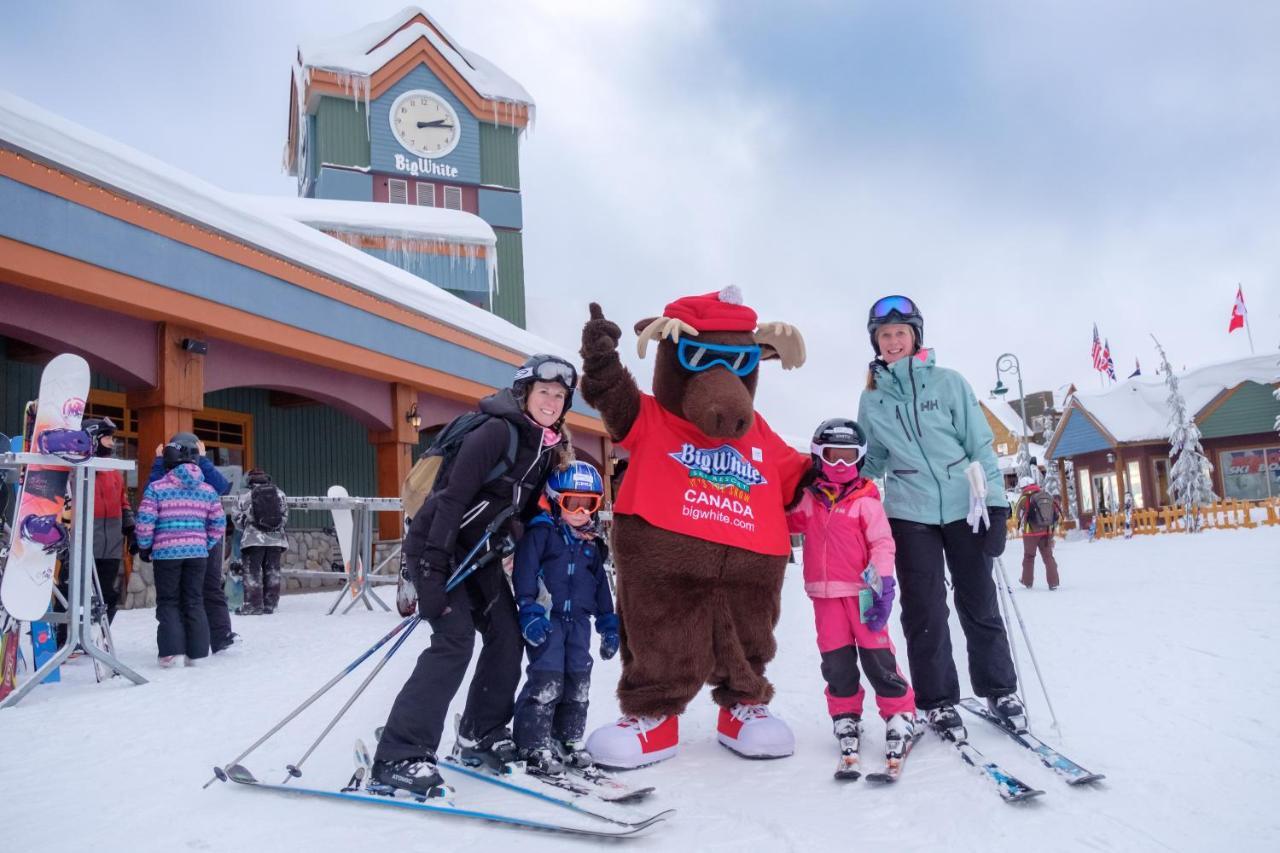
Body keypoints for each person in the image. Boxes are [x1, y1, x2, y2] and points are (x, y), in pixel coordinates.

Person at [371, 355, 577, 796]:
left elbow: (516, 509)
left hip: (478, 556)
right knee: (454, 641)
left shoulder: (544, 447)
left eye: (560, 396)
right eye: (544, 392)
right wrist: (429, 571)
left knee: (507, 635)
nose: (552, 401)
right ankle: (399, 754)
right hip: (438, 548)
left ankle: (479, 733)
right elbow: (451, 500)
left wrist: (512, 536)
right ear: (525, 392)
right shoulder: (495, 431)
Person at [856, 295, 1025, 735]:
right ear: (876, 342)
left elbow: (978, 445)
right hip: (908, 512)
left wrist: (996, 505)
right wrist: (838, 471)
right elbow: (872, 460)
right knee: (924, 609)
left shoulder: (949, 383)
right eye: (885, 335)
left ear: (915, 338)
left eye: (900, 334)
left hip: (964, 507)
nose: (893, 342)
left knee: (979, 601)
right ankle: (938, 700)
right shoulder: (872, 399)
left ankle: (999, 687)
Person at [788, 418, 915, 773]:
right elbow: (784, 520)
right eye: (833, 456)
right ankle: (845, 715)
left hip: (862, 595)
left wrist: (883, 585)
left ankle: (899, 713)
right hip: (825, 598)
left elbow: (881, 543)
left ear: (860, 459)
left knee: (877, 657)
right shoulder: (811, 502)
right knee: (836, 661)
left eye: (849, 457)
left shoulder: (865, 500)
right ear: (818, 457)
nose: (841, 465)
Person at [511, 461, 619, 775]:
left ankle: (567, 738)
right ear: (556, 499)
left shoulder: (591, 544)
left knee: (578, 683)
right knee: (546, 681)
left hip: (580, 625)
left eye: (590, 504)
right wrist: (529, 612)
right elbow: (525, 574)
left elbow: (601, 587)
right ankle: (533, 742)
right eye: (573, 503)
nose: (581, 511)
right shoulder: (542, 533)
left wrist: (608, 624)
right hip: (548, 621)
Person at [135, 441, 226, 667]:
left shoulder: (157, 488)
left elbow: (145, 522)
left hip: (167, 554)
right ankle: (197, 654)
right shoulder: (208, 490)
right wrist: (205, 544)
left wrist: (145, 547)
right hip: (197, 554)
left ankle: (171, 654)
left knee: (169, 602)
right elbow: (219, 523)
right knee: (194, 600)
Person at [85, 418, 133, 624]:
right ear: (93, 440)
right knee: (78, 593)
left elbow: (123, 502)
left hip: (111, 545)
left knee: (107, 595)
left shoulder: (114, 472)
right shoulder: (79, 471)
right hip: (86, 544)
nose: (112, 443)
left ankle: (99, 635)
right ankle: (67, 636)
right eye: (107, 438)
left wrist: (131, 528)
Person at [232, 468, 288, 615]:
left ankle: (253, 606)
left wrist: (248, 525)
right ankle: (271, 604)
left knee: (252, 573)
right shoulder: (279, 494)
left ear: (250, 481)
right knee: (273, 572)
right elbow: (284, 517)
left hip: (253, 540)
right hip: (276, 541)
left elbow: (237, 518)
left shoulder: (244, 496)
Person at [1014, 476, 1061, 589]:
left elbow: (1017, 515)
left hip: (1030, 533)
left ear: (1023, 487)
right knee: (1048, 557)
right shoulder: (1045, 495)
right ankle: (1053, 582)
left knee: (1029, 557)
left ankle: (1027, 581)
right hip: (1046, 531)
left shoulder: (1024, 498)